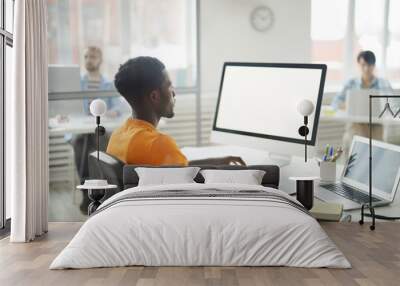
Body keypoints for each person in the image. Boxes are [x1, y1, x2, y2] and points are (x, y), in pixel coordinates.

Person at [107, 56, 245, 166]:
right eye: (169, 86)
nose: (174, 93)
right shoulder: (157, 144)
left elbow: (181, 169)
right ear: (154, 96)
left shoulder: (118, 135)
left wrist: (218, 162)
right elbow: (188, 176)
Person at [331, 50, 393, 152]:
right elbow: (335, 103)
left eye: (370, 65)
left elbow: (392, 105)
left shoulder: (383, 83)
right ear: (358, 65)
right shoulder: (351, 83)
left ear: (374, 65)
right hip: (356, 126)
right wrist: (346, 105)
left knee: (375, 158)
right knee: (354, 156)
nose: (366, 68)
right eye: (363, 65)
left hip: (376, 125)